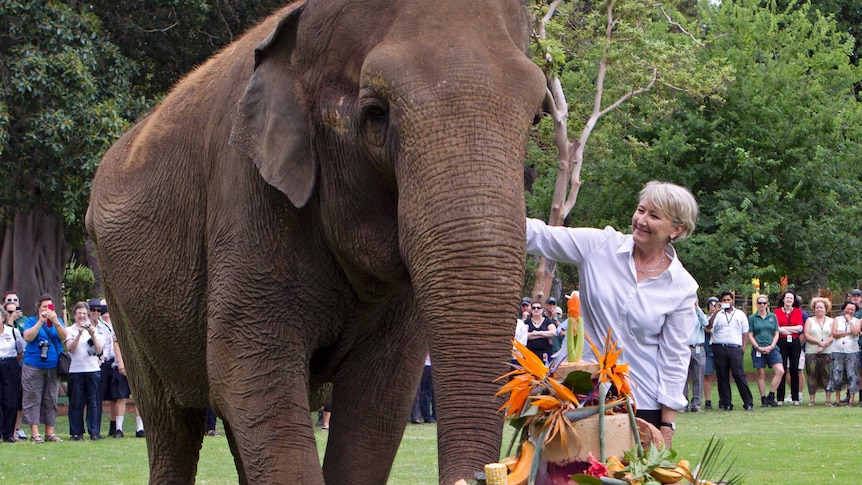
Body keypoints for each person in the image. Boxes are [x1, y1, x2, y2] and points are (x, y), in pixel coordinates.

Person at [527, 181, 698, 446]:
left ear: (677, 230)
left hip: (639, 406)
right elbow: (542, 236)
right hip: (573, 396)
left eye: (654, 216)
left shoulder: (682, 287)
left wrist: (667, 425)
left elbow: (674, 358)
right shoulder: (600, 245)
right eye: (641, 210)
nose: (641, 220)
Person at [21, 293, 68, 443]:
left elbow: (63, 337)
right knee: (32, 398)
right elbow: (28, 337)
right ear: (38, 309)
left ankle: (50, 432)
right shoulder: (31, 321)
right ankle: (35, 433)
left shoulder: (57, 321)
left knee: (51, 398)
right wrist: (40, 322)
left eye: (50, 307)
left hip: (53, 366)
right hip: (33, 365)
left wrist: (55, 322)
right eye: (44, 307)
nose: (47, 310)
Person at [104, 298, 145, 438]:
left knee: (139, 398)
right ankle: (119, 429)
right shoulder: (119, 324)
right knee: (121, 397)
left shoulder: (139, 325)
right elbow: (116, 343)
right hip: (121, 367)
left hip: (137, 368)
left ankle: (140, 429)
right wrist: (121, 363)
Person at [708, 291, 754, 411]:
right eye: (724, 300)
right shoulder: (717, 314)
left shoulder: (740, 314)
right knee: (722, 376)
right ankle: (726, 403)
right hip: (720, 346)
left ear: (733, 301)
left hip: (735, 348)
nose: (727, 302)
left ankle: (748, 402)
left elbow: (745, 332)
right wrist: (714, 312)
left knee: (739, 374)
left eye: (729, 300)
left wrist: (743, 348)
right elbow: (708, 327)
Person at [66, 301, 103, 440]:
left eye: (84, 313)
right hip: (76, 371)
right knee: (76, 402)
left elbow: (99, 350)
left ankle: (94, 431)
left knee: (93, 402)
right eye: (79, 313)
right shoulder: (70, 330)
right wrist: (79, 334)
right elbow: (71, 348)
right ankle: (76, 432)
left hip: (92, 369)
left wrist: (92, 334)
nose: (82, 316)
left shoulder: (94, 329)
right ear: (74, 315)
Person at [748, 296, 783, 407]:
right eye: (760, 303)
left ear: (767, 304)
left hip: (772, 348)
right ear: (757, 304)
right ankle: (763, 398)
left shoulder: (773, 317)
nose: (762, 305)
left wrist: (772, 346)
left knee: (780, 371)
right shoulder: (752, 318)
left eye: (764, 303)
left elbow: (776, 332)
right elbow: (750, 334)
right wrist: (758, 347)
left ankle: (771, 396)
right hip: (759, 348)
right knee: (761, 374)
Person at [827, 301, 860, 407]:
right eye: (848, 308)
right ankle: (837, 400)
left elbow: (855, 332)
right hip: (837, 350)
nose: (850, 311)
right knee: (837, 374)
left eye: (852, 310)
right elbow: (834, 334)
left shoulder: (857, 321)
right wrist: (847, 333)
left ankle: (851, 400)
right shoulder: (837, 319)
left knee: (852, 375)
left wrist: (850, 321)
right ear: (844, 309)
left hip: (852, 351)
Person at [774, 289, 804, 406]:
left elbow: (800, 328)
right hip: (781, 342)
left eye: (791, 298)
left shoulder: (797, 311)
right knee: (782, 369)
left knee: (794, 369)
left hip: (795, 342)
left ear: (793, 300)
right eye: (787, 298)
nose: (789, 300)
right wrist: (791, 328)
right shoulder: (777, 312)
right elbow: (777, 328)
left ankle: (795, 398)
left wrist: (785, 329)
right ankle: (780, 398)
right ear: (783, 299)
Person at [0, 302, 25, 441]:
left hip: (10, 365)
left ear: (3, 317)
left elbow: (20, 351)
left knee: (11, 401)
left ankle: (9, 433)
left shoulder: (13, 332)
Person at [803, 297, 833, 406]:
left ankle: (828, 399)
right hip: (811, 351)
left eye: (821, 307)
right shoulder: (809, 320)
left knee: (827, 374)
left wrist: (824, 344)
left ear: (826, 309)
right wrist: (818, 342)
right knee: (812, 374)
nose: (819, 309)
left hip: (828, 351)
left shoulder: (831, 321)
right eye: (817, 307)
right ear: (814, 309)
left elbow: (833, 335)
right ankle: (811, 400)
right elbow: (806, 335)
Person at [684, 300, 709, 412]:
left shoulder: (699, 314)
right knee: (683, 377)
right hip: (685, 347)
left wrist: (697, 308)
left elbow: (705, 323)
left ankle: (696, 404)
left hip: (697, 347)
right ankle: (683, 404)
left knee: (698, 376)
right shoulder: (682, 314)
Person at [702, 296, 719, 410]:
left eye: (716, 304)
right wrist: (713, 314)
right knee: (707, 375)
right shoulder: (704, 317)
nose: (713, 306)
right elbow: (707, 328)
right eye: (711, 304)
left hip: (720, 347)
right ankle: (708, 400)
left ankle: (723, 399)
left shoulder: (723, 317)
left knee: (721, 375)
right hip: (709, 348)